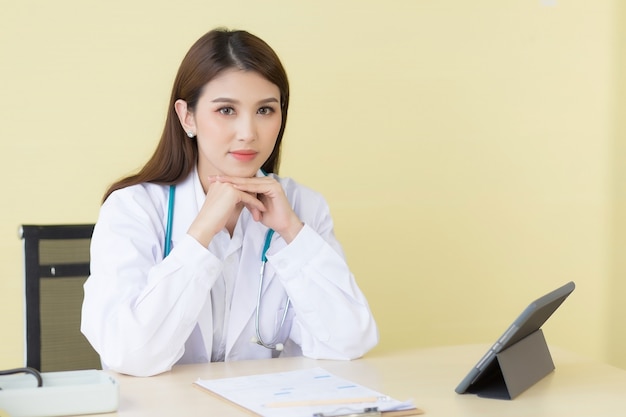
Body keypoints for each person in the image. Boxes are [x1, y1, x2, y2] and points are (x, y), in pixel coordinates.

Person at [80, 28, 378, 377]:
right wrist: (201, 234)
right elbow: (130, 355)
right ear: (187, 116)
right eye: (226, 110)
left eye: (265, 110)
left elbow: (349, 342)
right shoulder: (133, 208)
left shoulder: (302, 206)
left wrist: (292, 233)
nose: (248, 132)